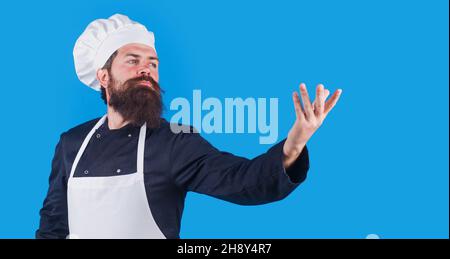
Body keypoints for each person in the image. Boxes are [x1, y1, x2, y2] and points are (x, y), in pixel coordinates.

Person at [36, 14, 342, 239]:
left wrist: (294, 144)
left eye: (153, 63)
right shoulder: (72, 143)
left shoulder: (173, 142)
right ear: (103, 77)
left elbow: (244, 182)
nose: (147, 69)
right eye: (133, 60)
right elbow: (53, 225)